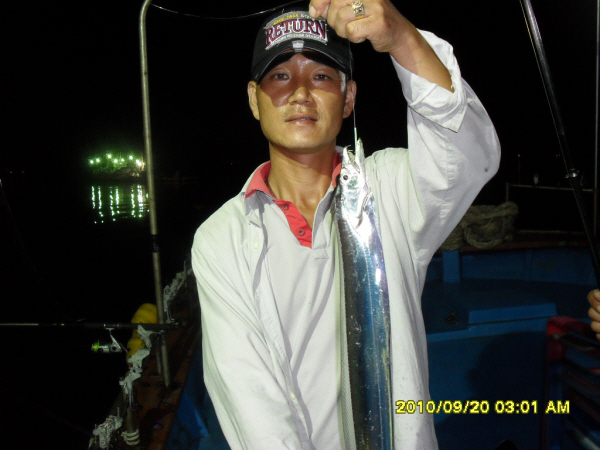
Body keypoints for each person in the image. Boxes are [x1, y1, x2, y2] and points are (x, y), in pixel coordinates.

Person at [191, 0, 500, 448]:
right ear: (254, 99)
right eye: (280, 76)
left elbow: (468, 155)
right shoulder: (220, 238)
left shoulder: (388, 188)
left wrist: (401, 37)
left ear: (348, 97)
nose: (300, 93)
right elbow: (252, 403)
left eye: (321, 76)